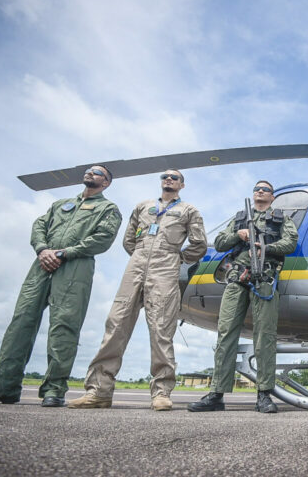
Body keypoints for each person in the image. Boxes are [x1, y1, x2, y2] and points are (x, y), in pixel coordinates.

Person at [0, 165, 121, 407]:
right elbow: (39, 226)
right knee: (20, 323)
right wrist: (43, 250)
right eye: (89, 170)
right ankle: (4, 388)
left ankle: (54, 390)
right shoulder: (59, 204)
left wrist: (64, 253)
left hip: (75, 267)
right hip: (41, 265)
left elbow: (103, 239)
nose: (90, 173)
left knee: (64, 326)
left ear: (106, 183)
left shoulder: (108, 208)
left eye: (97, 173)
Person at [69, 170, 207, 411]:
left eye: (175, 177)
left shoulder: (188, 210)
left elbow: (199, 244)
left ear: (182, 185)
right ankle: (99, 390)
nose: (169, 179)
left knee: (161, 329)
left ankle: (161, 392)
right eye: (165, 176)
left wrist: (178, 258)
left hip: (166, 265)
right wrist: (141, 255)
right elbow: (128, 239)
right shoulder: (143, 206)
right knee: (116, 324)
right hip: (137, 264)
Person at [188, 180, 298, 414]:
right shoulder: (239, 219)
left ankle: (264, 394)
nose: (260, 191)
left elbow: (290, 243)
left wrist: (265, 248)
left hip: (265, 276)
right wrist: (238, 235)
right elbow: (219, 243)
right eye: (257, 188)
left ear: (272, 196)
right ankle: (217, 393)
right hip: (237, 277)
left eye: (266, 189)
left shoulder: (281, 219)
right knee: (226, 332)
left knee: (264, 335)